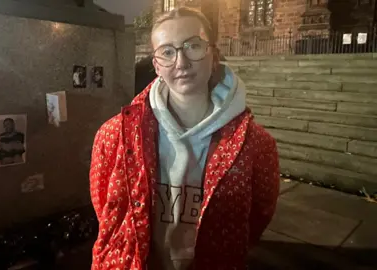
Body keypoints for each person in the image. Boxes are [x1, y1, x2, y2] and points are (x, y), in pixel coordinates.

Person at [89, 7, 280, 270]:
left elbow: (257, 216)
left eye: (193, 46)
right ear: (156, 65)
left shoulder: (256, 145)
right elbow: (107, 209)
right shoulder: (114, 136)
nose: (181, 62)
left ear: (212, 54)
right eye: (167, 51)